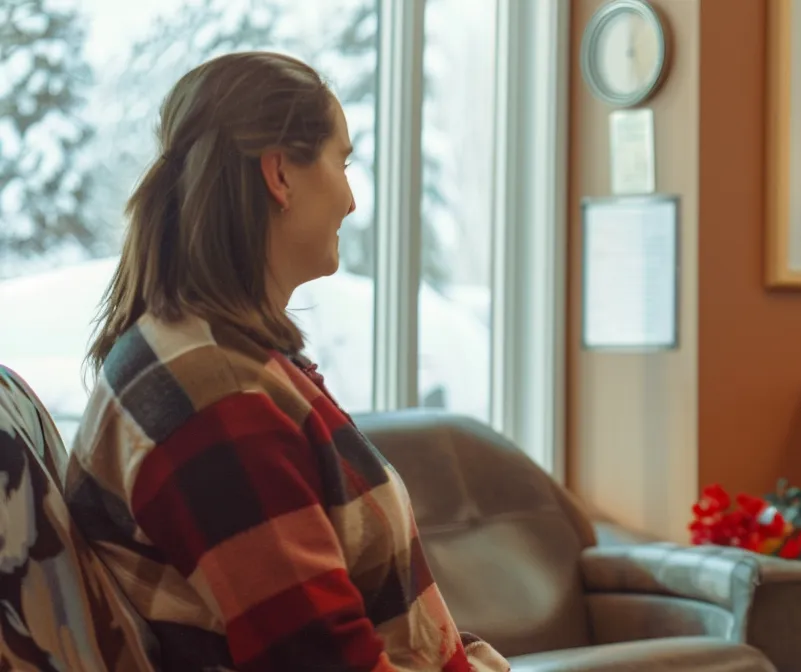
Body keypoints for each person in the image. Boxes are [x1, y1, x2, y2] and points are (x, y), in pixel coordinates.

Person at [64, 52, 506, 671]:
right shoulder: (214, 399)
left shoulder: (212, 364)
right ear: (279, 174)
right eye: (341, 162)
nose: (351, 200)